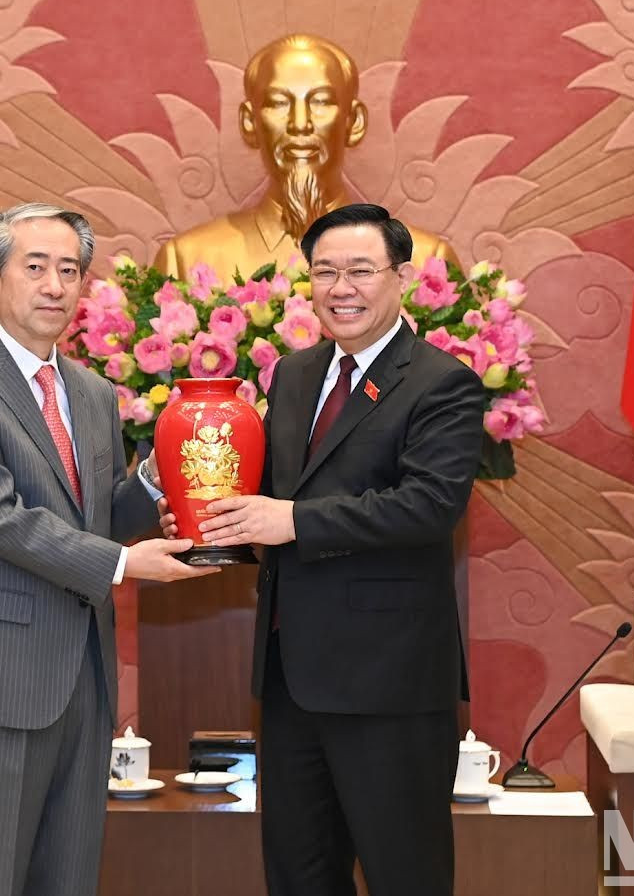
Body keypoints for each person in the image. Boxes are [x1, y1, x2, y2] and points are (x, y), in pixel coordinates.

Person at [0, 202, 216, 896]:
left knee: (69, 880)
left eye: (69, 270)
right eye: (35, 267)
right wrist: (123, 563)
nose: (54, 285)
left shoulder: (93, 392)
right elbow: (1, 520)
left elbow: (97, 509)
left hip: (83, 676)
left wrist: (161, 475)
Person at [176, 203, 485, 895]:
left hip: (389, 685)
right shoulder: (293, 375)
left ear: (400, 277)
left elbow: (429, 506)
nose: (341, 287)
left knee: (405, 874)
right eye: (324, 271)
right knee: (300, 875)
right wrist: (214, 519)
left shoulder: (441, 383)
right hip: (292, 682)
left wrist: (292, 521)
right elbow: (273, 499)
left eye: (360, 270)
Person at [154, 34, 458, 284]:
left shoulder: (424, 262)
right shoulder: (186, 261)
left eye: (321, 102)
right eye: (278, 103)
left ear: (354, 122)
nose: (300, 124)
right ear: (249, 122)